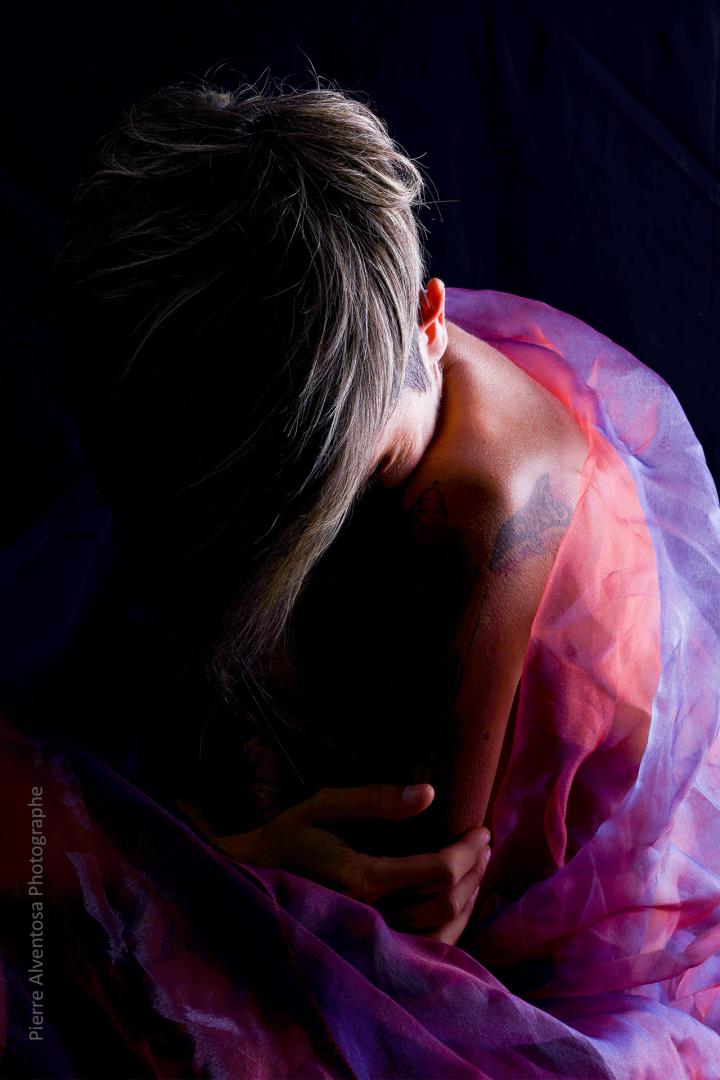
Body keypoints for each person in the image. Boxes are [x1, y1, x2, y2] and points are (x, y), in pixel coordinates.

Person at [2, 73, 720, 1078]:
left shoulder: (491, 508)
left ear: (432, 319)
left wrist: (222, 852)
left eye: (338, 492)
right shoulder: (290, 351)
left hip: (517, 873)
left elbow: (408, 916)